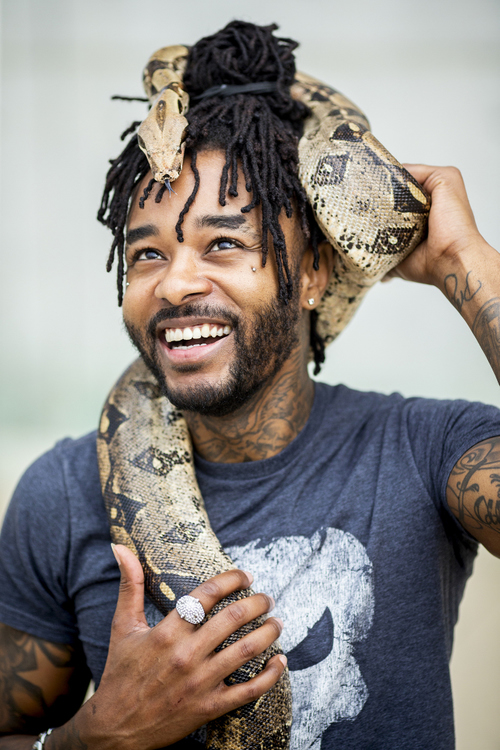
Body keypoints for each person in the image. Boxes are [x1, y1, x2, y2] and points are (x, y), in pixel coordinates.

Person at [0, 20, 499, 750]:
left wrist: (466, 259)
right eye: (145, 254)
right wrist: (96, 736)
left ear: (316, 273)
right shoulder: (60, 495)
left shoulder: (428, 451)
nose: (176, 282)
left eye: (223, 241)